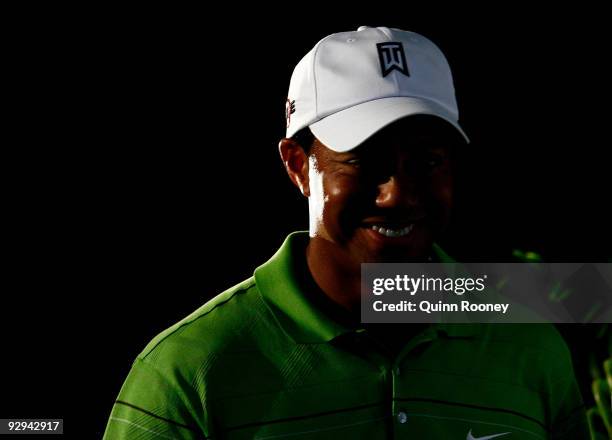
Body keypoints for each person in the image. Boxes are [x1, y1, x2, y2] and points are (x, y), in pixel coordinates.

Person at [104, 26, 589, 439]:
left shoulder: (531, 347)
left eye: (427, 162)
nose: (397, 194)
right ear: (298, 166)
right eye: (362, 161)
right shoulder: (188, 370)